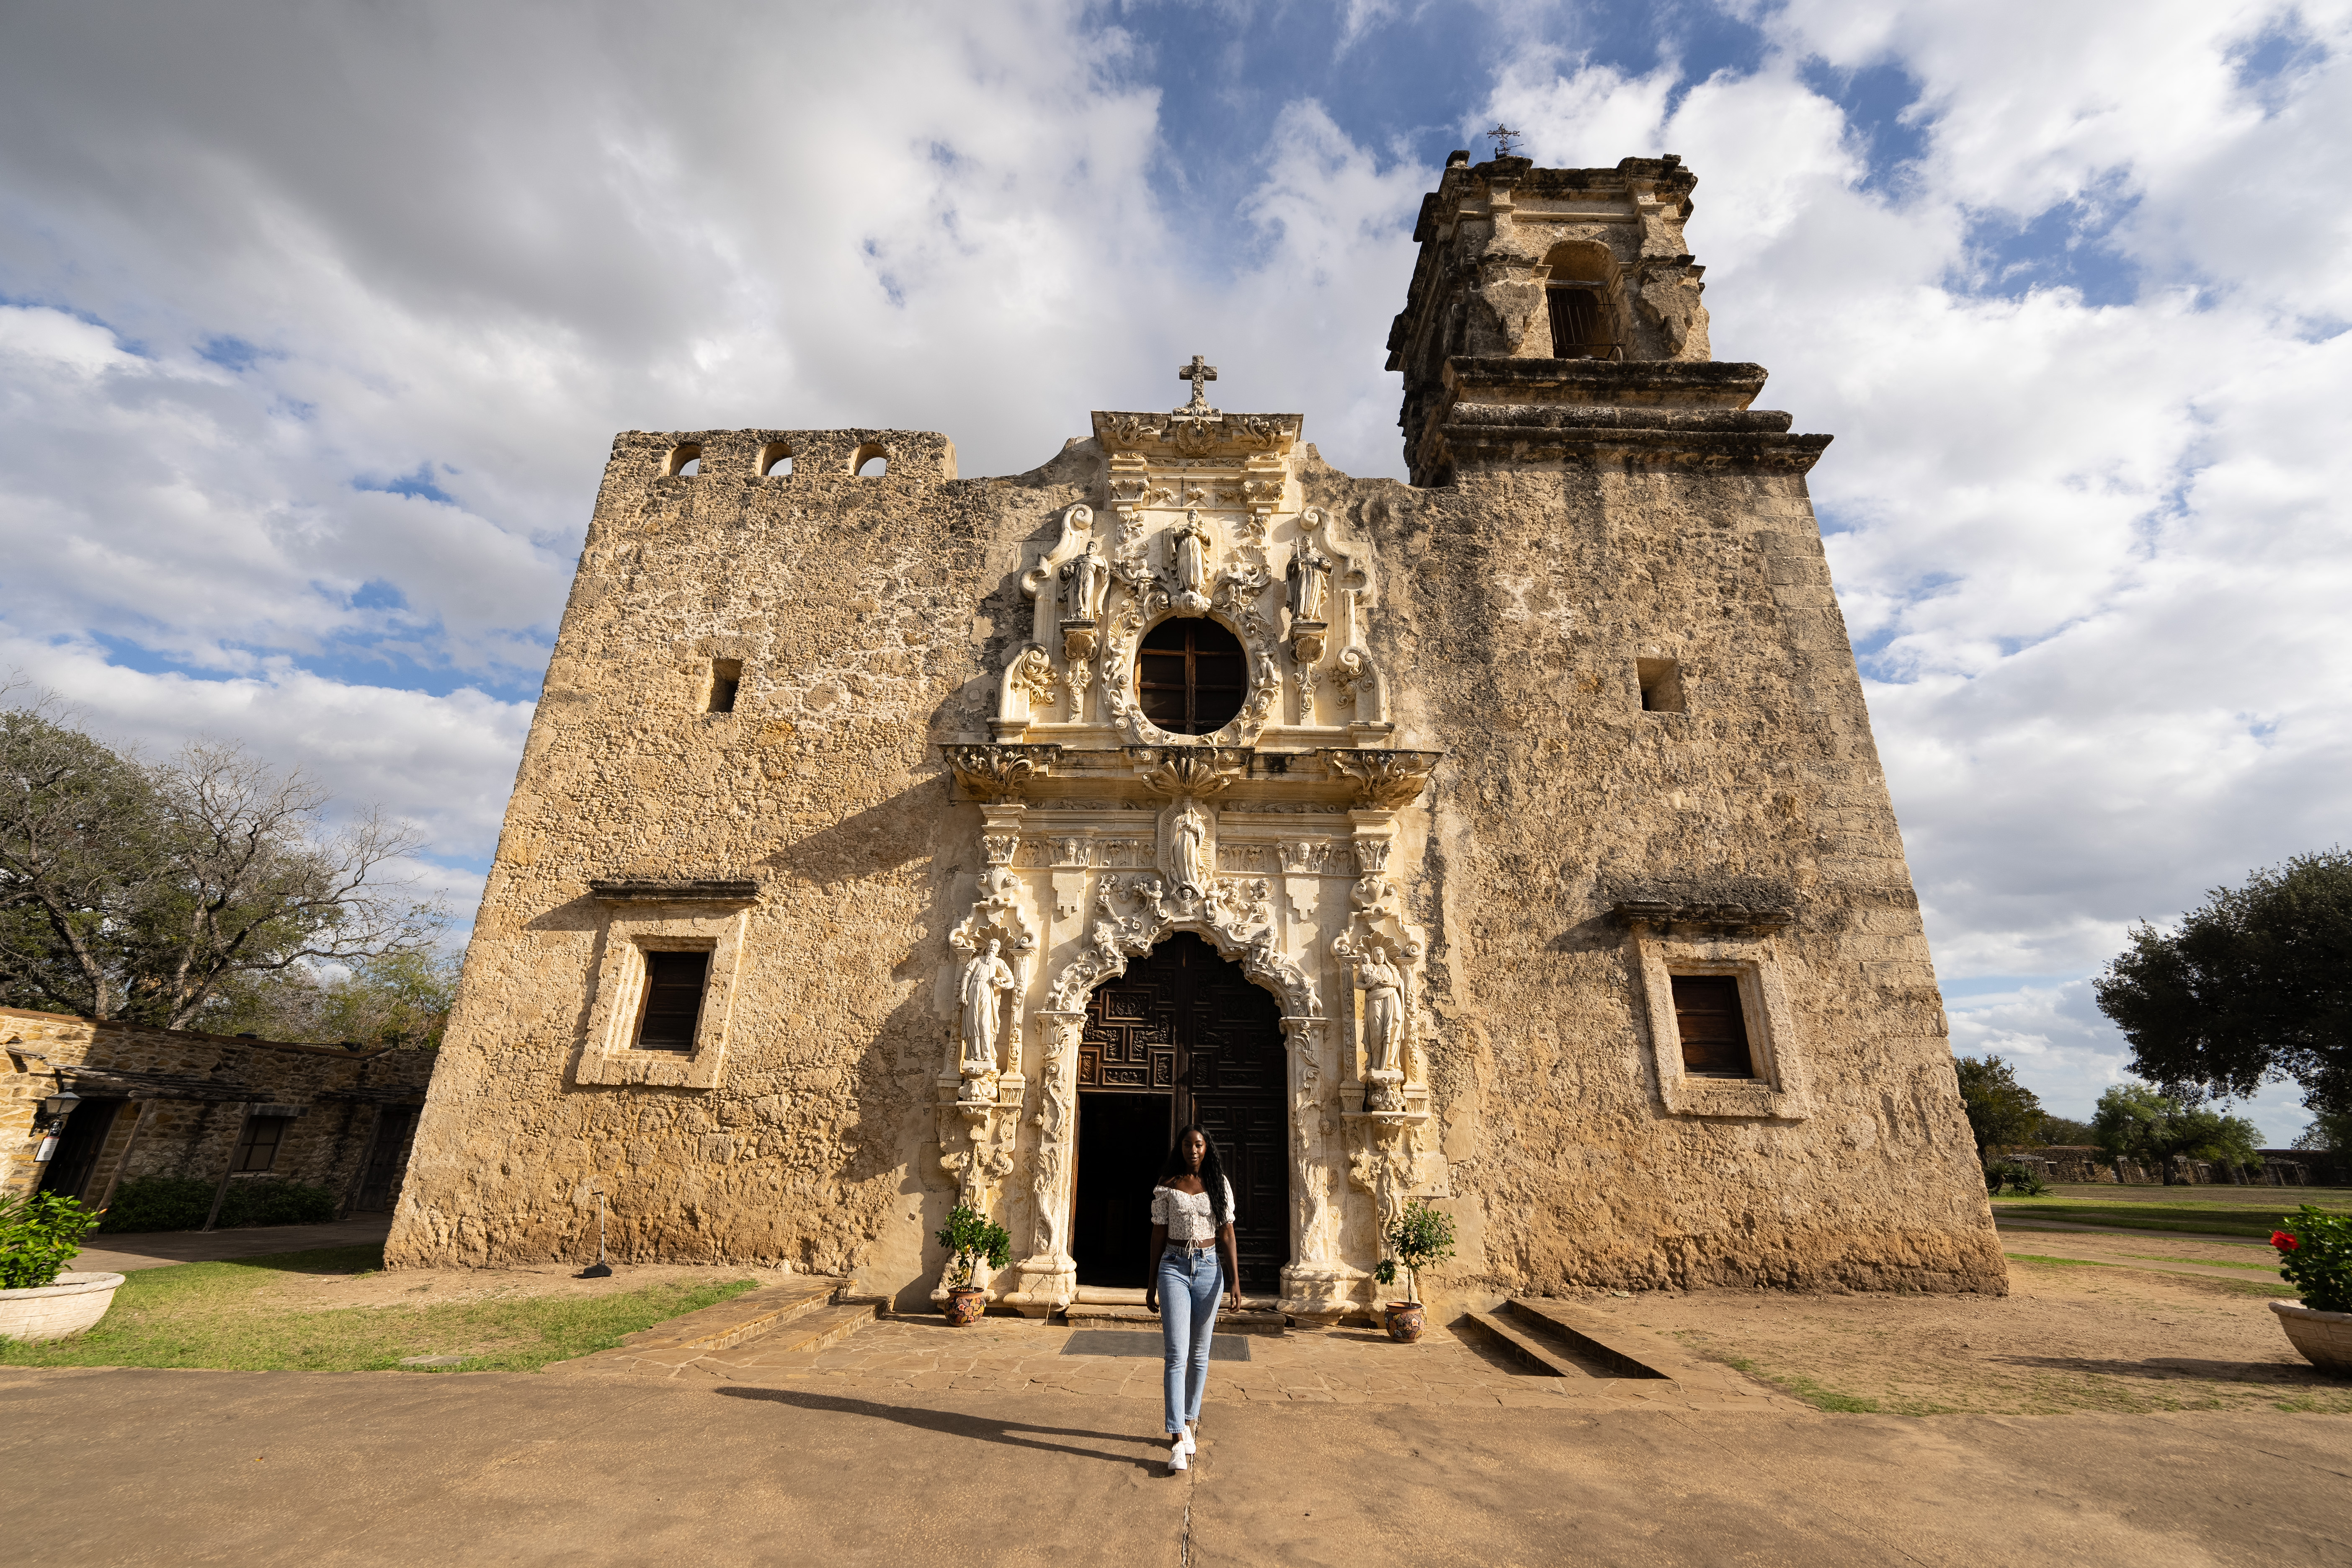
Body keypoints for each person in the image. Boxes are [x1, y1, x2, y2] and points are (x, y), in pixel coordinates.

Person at [1142, 1123, 1240, 1474]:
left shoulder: (1219, 1184)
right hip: (1174, 1267)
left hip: (1210, 1269)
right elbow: (1158, 1233)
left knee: (1200, 1354)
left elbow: (1227, 1234)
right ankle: (1176, 1439)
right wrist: (1151, 1282)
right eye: (1188, 1145)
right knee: (1175, 1354)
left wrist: (1235, 1282)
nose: (1193, 1151)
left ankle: (1188, 1420)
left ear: (1207, 1148)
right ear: (1180, 1148)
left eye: (1199, 1145)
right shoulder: (1168, 1186)